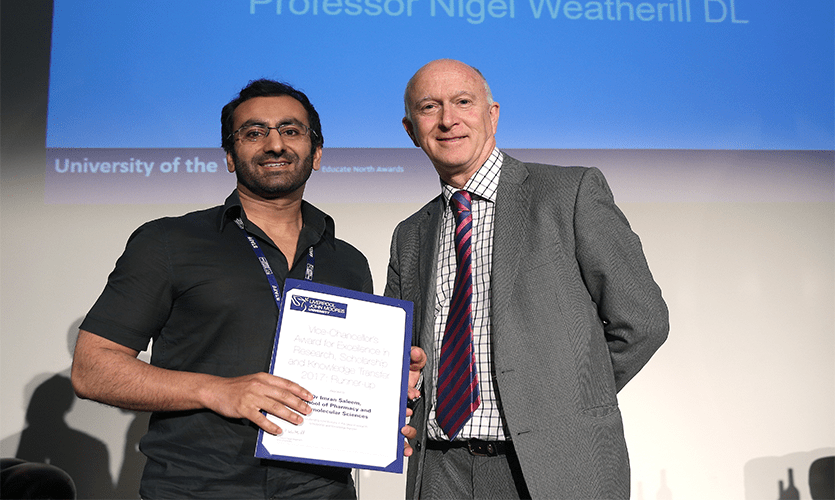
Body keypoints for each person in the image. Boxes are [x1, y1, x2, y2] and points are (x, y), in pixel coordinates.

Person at [72, 79, 406, 499]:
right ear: (230, 157)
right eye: (253, 132)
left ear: (316, 152)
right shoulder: (169, 242)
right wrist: (216, 389)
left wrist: (387, 395)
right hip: (201, 486)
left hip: (322, 490)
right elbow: (92, 369)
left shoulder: (347, 261)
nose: (274, 144)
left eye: (291, 130)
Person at [385, 59, 669, 499]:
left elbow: (642, 320)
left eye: (463, 102)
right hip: (439, 470)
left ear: (492, 114)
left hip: (551, 465)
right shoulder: (411, 234)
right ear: (410, 129)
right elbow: (401, 355)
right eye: (429, 107)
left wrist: (559, 400)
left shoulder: (569, 194)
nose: (447, 120)